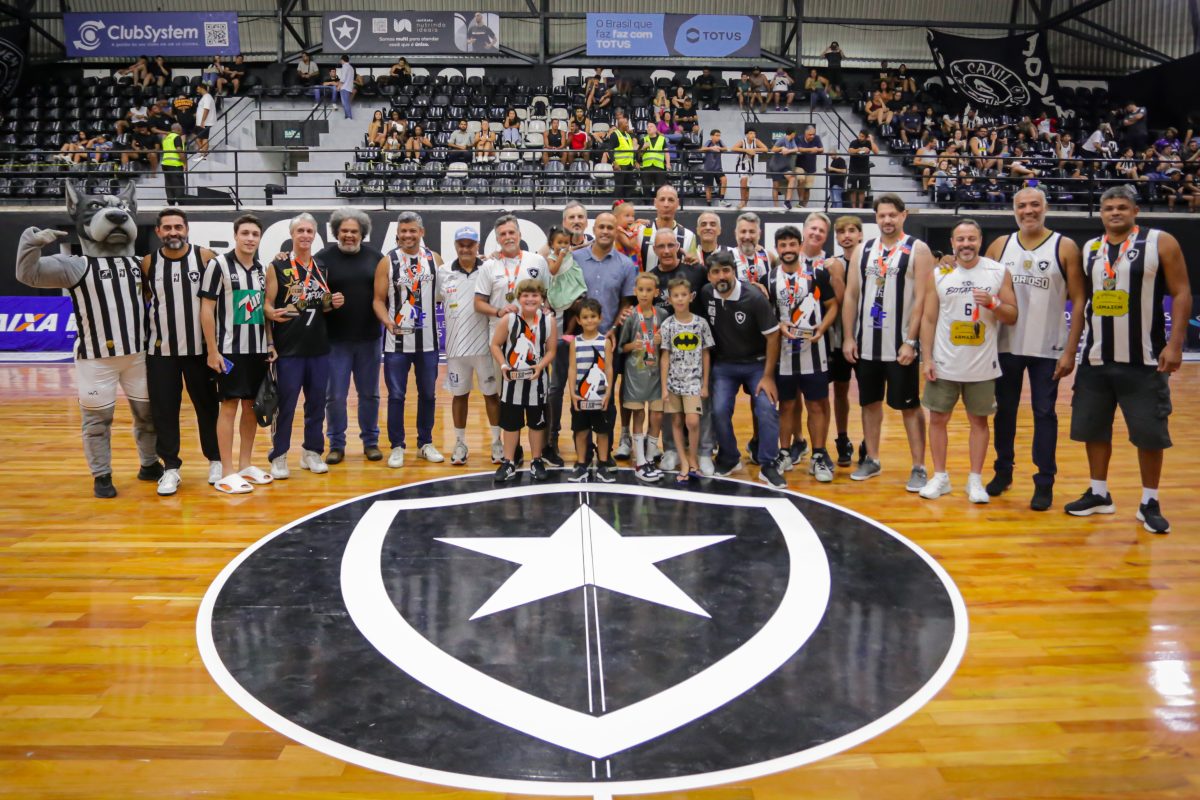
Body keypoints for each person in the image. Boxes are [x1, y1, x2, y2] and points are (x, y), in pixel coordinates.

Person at [1065, 185, 1191, 534]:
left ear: (1135, 211)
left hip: (1145, 360)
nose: (1115, 212)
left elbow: (1181, 292)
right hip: (1095, 358)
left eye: (1122, 207)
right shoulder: (1091, 248)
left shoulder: (1160, 242)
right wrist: (1071, 351)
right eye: (1108, 208)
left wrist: (1175, 344)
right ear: (1101, 213)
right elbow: (1082, 303)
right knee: (1093, 428)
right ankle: (1098, 493)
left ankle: (1149, 501)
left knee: (1150, 433)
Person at [16, 195, 158, 499]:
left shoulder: (141, 264)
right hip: (96, 359)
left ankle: (149, 464)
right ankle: (101, 475)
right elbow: (28, 274)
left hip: (139, 356)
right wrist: (31, 243)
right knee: (97, 422)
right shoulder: (75, 265)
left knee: (148, 417)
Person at [984, 187, 1085, 510]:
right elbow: (981, 287)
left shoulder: (1064, 246)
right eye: (1022, 205)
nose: (1028, 211)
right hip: (1006, 345)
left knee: (1044, 413)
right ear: (1014, 210)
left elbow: (1079, 300)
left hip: (1048, 346)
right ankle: (1003, 471)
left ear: (1046, 207)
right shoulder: (1000, 245)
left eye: (1035, 205)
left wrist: (1070, 350)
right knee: (1005, 411)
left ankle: (1044, 481)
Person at [918, 219, 1017, 503]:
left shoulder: (997, 271)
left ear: (980, 241)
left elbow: (1012, 315)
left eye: (971, 239)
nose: (966, 244)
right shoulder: (940, 273)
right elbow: (928, 318)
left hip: (982, 365)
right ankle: (940, 477)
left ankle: (975, 480)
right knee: (938, 419)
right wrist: (927, 358)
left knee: (979, 421)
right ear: (952, 243)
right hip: (945, 362)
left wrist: (993, 303)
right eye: (960, 239)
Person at [841, 194, 933, 491]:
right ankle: (872, 459)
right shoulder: (863, 250)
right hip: (867, 344)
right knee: (869, 403)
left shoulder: (918, 249)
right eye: (882, 215)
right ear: (876, 218)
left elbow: (923, 299)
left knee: (909, 406)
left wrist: (911, 341)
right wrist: (848, 336)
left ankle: (919, 466)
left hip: (899, 346)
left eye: (893, 214)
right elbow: (851, 296)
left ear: (903, 215)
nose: (887, 220)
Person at [142, 208, 221, 495]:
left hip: (201, 351)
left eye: (178, 226)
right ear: (158, 231)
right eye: (167, 227)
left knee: (208, 407)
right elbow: (147, 298)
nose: (173, 232)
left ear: (186, 229)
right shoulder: (148, 263)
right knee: (164, 411)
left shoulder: (206, 257)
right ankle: (171, 468)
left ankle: (216, 460)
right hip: (161, 351)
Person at [263, 213, 343, 480]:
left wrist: (334, 303)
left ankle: (312, 451)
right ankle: (279, 455)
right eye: (301, 231)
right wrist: (271, 337)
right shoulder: (278, 264)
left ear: (315, 234)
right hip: (288, 348)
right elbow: (267, 305)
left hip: (318, 347)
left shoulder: (321, 267)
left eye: (309, 231)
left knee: (317, 404)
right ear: (292, 234)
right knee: (285, 405)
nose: (305, 235)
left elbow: (321, 305)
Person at [199, 214, 275, 495]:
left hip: (257, 350)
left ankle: (244, 464)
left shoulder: (262, 269)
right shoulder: (218, 265)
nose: (250, 238)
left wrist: (269, 342)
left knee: (251, 407)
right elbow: (206, 309)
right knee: (229, 406)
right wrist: (212, 350)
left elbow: (264, 309)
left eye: (255, 234)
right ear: (235, 235)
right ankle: (226, 471)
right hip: (229, 351)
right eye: (245, 233)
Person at [702, 250, 785, 487]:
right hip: (724, 364)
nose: (721, 276)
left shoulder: (754, 297)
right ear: (709, 276)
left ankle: (769, 463)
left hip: (757, 364)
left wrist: (768, 376)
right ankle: (729, 457)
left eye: (726, 270)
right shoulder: (707, 293)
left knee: (766, 409)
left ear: (734, 272)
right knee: (718, 409)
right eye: (716, 272)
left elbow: (773, 336)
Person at [769, 219, 840, 482]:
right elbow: (767, 313)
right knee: (786, 404)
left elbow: (833, 305)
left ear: (800, 246)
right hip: (783, 354)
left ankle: (819, 455)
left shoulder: (816, 274)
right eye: (782, 245)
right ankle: (784, 452)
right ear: (777, 248)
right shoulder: (770, 278)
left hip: (814, 351)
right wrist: (779, 324)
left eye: (792, 244)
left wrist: (823, 327)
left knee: (816, 405)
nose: (788, 249)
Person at [373, 211, 444, 469]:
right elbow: (378, 300)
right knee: (396, 396)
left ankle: (425, 443)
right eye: (403, 231)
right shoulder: (387, 261)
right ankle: (397, 446)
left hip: (428, 343)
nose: (408, 235)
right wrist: (387, 322)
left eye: (412, 230)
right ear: (397, 234)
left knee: (428, 395)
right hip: (397, 344)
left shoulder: (435, 259)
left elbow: (445, 293)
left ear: (421, 232)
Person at [320, 208, 384, 464]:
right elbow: (312, 297)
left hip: (369, 339)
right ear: (336, 232)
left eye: (354, 231)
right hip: (335, 341)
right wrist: (328, 302)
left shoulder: (376, 258)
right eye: (344, 230)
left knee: (370, 394)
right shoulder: (322, 259)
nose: (349, 235)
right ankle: (336, 444)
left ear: (362, 233)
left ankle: (370, 442)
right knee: (335, 396)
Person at [647, 229, 712, 474]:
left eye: (670, 245)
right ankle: (672, 450)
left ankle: (703, 452)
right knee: (671, 412)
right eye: (661, 246)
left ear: (678, 246)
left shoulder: (696, 270)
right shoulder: (652, 278)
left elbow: (717, 286)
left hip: (696, 359)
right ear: (654, 249)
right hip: (668, 357)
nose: (666, 251)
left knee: (699, 413)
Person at [438, 225, 500, 466]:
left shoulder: (489, 268)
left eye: (470, 244)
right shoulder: (443, 271)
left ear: (477, 246)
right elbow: (436, 298)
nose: (465, 249)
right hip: (455, 349)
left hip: (485, 347)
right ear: (455, 246)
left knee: (491, 395)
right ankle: (460, 443)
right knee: (459, 396)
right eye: (461, 244)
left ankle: (497, 442)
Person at [490, 279, 557, 482]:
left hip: (537, 383)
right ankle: (509, 461)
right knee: (510, 424)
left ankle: (536, 460)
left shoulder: (549, 321)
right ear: (518, 298)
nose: (530, 299)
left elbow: (551, 350)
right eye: (525, 295)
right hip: (512, 384)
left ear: (542, 298)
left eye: (535, 295)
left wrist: (540, 365)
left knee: (537, 424)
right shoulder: (509, 319)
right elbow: (495, 344)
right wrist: (503, 365)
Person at [541, 205, 593, 466]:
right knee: (556, 387)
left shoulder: (593, 245)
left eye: (580, 216)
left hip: (590, 333)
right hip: (558, 329)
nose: (576, 220)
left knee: (586, 386)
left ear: (586, 221)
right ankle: (551, 440)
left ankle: (584, 439)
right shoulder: (547, 252)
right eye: (571, 217)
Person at [660, 277, 715, 484]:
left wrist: (705, 384)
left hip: (694, 382)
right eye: (676, 296)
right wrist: (664, 387)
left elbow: (706, 354)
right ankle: (683, 461)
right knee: (676, 421)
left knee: (692, 421)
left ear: (691, 297)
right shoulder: (667, 325)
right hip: (673, 382)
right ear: (669, 299)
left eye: (684, 295)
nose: (680, 299)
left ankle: (693, 458)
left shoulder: (700, 324)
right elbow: (665, 357)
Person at [616, 274, 668, 482]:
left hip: (656, 375)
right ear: (635, 291)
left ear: (656, 292)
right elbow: (621, 347)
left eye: (649, 290)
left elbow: (668, 347)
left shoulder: (662, 314)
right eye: (641, 290)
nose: (644, 294)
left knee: (657, 415)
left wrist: (662, 340)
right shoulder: (630, 316)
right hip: (635, 375)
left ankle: (650, 455)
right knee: (638, 415)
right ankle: (639, 461)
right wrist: (633, 345)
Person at [566, 298, 616, 483]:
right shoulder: (575, 343)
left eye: (593, 316)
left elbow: (608, 368)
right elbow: (572, 368)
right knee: (581, 431)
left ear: (600, 318)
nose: (589, 320)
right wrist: (572, 393)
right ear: (579, 320)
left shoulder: (605, 342)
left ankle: (603, 465)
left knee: (602, 432)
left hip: (600, 396)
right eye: (585, 317)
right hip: (581, 397)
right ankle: (581, 465)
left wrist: (608, 393)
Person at [830, 216, 861, 467]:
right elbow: (837, 302)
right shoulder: (833, 264)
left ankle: (869, 443)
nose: (846, 235)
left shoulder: (872, 262)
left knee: (870, 396)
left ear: (860, 234)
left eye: (851, 230)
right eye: (841, 232)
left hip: (868, 339)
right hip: (840, 339)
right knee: (840, 391)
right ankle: (842, 438)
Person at [637, 183, 698, 273]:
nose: (666, 204)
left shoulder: (689, 236)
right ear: (655, 203)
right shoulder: (639, 231)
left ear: (677, 203)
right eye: (662, 199)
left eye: (671, 200)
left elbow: (693, 267)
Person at [732, 128, 767, 209]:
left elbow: (765, 148)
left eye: (754, 133)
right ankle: (742, 202)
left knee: (747, 187)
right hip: (741, 165)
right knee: (743, 181)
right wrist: (746, 150)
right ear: (747, 135)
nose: (753, 135)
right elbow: (733, 148)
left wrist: (754, 149)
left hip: (750, 166)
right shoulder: (742, 141)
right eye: (751, 133)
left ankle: (745, 204)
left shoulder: (756, 141)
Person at [608, 115, 639, 200]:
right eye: (626, 123)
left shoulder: (628, 135)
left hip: (629, 164)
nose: (628, 125)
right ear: (621, 125)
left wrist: (634, 161)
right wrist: (614, 163)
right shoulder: (615, 135)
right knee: (619, 186)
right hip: (620, 165)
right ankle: (617, 203)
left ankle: (626, 202)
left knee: (629, 185)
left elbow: (630, 150)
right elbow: (610, 150)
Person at [794, 125, 824, 208]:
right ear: (805, 133)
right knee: (801, 180)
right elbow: (799, 149)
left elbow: (822, 149)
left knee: (807, 188)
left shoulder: (817, 138)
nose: (812, 136)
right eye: (810, 134)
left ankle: (804, 206)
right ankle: (800, 201)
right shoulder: (799, 138)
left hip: (811, 167)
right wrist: (811, 149)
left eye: (813, 134)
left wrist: (816, 149)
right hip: (799, 165)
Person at [847, 129, 876, 209]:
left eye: (862, 136)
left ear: (866, 137)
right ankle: (853, 207)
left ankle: (860, 208)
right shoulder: (854, 142)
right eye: (859, 135)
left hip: (864, 170)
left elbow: (876, 152)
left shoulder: (868, 143)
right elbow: (849, 151)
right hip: (853, 169)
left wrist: (871, 140)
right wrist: (860, 149)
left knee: (862, 191)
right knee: (852, 190)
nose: (860, 137)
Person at [699, 129, 729, 207]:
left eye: (719, 135)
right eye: (716, 135)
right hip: (708, 169)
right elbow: (701, 149)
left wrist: (719, 148)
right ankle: (709, 204)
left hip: (718, 168)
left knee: (724, 180)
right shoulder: (709, 142)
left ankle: (722, 199)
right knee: (708, 187)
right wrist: (711, 148)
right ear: (712, 136)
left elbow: (726, 148)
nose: (718, 137)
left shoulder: (720, 142)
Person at [639, 124, 670, 198]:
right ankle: (647, 204)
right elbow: (639, 155)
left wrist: (668, 163)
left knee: (659, 190)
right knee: (646, 189)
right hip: (646, 167)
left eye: (651, 126)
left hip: (659, 167)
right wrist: (643, 148)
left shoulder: (662, 139)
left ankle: (658, 204)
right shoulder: (643, 140)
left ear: (656, 129)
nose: (649, 128)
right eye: (648, 127)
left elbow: (666, 152)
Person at [161, 123, 187, 206]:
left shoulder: (167, 138)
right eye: (181, 130)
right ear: (178, 129)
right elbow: (179, 150)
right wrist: (185, 163)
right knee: (178, 184)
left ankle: (171, 202)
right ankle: (181, 202)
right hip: (175, 164)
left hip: (165, 163)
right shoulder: (176, 137)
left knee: (169, 184)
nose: (181, 131)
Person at [193, 83, 215, 159]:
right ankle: (203, 152)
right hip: (200, 122)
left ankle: (203, 154)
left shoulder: (207, 97)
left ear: (202, 88)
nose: (197, 90)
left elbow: (206, 109)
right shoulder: (204, 97)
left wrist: (203, 121)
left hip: (204, 122)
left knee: (204, 138)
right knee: (195, 136)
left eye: (198, 88)